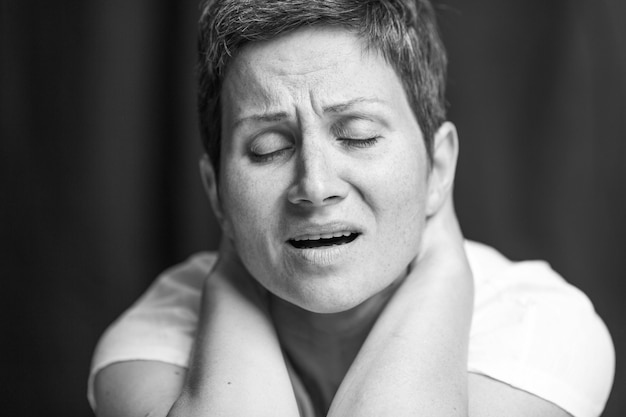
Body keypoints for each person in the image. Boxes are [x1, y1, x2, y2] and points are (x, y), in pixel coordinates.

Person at [88, 1, 615, 416]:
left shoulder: (540, 325)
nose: (314, 187)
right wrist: (233, 276)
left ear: (438, 167)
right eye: (268, 149)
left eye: (358, 136)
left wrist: (443, 271)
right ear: (215, 190)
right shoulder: (152, 341)